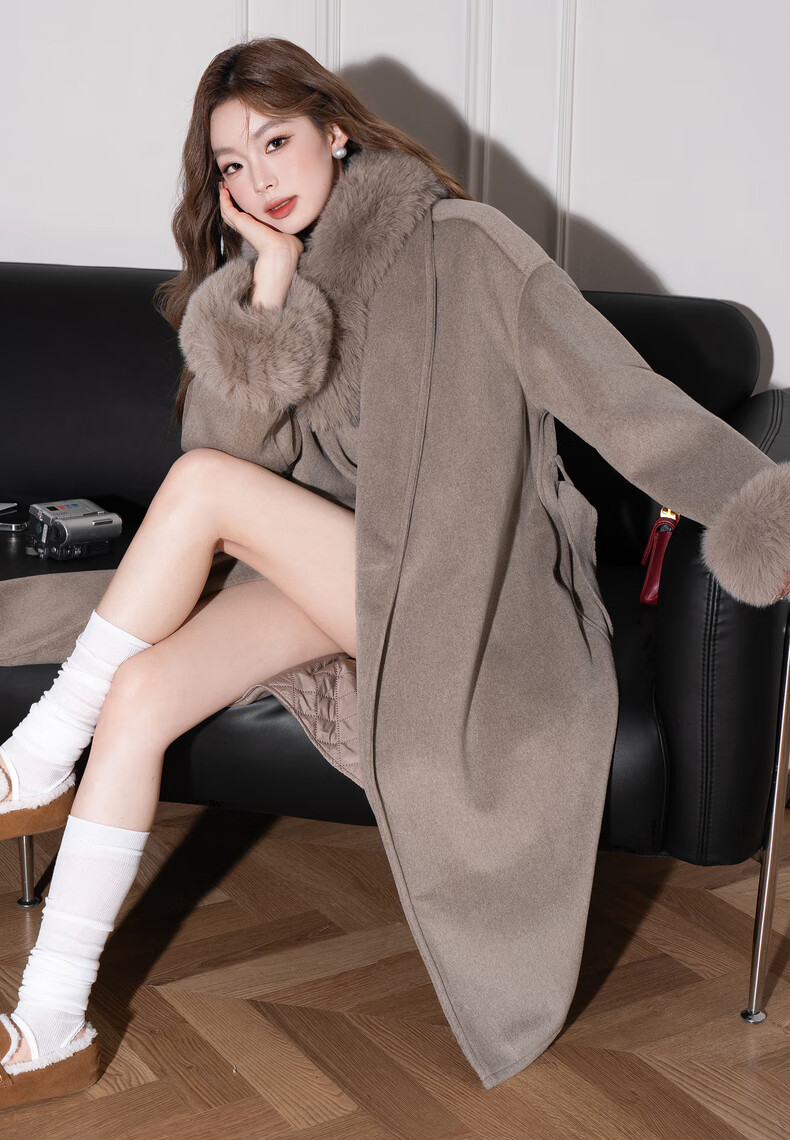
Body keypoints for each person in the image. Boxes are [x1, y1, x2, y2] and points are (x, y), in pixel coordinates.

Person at [3, 35, 790, 1106]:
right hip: (342, 577)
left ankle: (40, 749)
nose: (257, 179)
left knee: (197, 489)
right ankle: (51, 1022)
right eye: (231, 163)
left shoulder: (467, 246)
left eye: (274, 142)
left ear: (334, 129)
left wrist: (757, 512)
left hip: (464, 597)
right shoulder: (272, 278)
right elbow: (235, 457)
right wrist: (269, 288)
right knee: (140, 693)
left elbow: (625, 402)